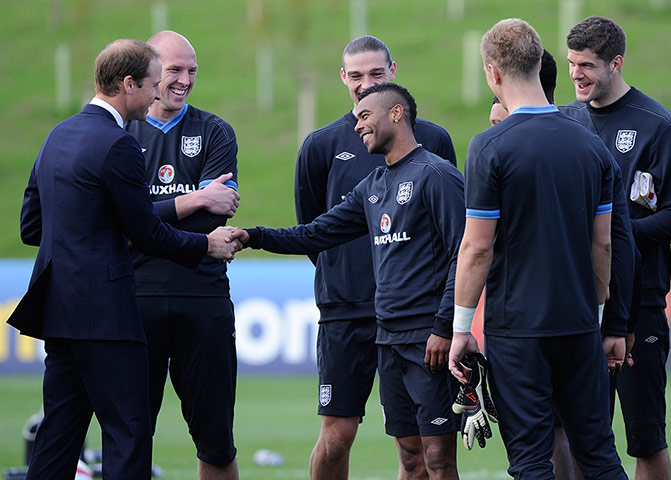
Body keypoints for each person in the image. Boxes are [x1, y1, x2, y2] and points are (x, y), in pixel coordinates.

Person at [6, 39, 244, 480]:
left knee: (59, 434)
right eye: (157, 81)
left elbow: (33, 227)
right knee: (129, 435)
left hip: (61, 311)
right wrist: (204, 242)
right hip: (112, 310)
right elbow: (146, 232)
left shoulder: (58, 134)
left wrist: (104, 226)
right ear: (129, 83)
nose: (162, 91)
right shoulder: (118, 143)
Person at [246, 82, 464, 479]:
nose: (358, 126)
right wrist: (252, 236)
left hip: (427, 340)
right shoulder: (374, 186)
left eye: (365, 117)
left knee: (438, 459)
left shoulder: (437, 175)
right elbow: (315, 233)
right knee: (412, 459)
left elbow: (462, 255)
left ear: (396, 114)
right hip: (388, 339)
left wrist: (444, 326)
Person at [449, 18, 628, 479]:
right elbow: (603, 242)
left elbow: (476, 249)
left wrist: (461, 328)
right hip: (580, 324)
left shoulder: (489, 145)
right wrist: (599, 316)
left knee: (530, 461)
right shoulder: (592, 146)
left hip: (518, 329)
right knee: (600, 456)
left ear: (494, 73)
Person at [294, 35, 456, 480]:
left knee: (418, 449)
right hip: (346, 311)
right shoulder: (321, 144)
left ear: (393, 73)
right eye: (357, 75)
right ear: (343, 78)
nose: (366, 84)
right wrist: (345, 277)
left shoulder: (434, 141)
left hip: (415, 317)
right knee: (336, 437)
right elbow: (315, 229)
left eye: (376, 74)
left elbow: (450, 234)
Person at [562, 16, 671, 479]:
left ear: (616, 63)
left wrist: (612, 234)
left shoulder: (659, 126)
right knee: (582, 434)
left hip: (638, 305)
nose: (577, 74)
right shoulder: (565, 121)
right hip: (579, 306)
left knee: (645, 437)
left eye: (588, 65)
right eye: (572, 64)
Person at [124, 30, 240, 479]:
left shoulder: (214, 131)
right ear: (150, 72)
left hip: (202, 299)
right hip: (134, 301)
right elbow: (118, 222)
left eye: (192, 70)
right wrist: (194, 199)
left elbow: (218, 214)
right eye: (174, 70)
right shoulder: (121, 130)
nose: (184, 80)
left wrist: (143, 217)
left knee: (216, 443)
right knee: (130, 437)